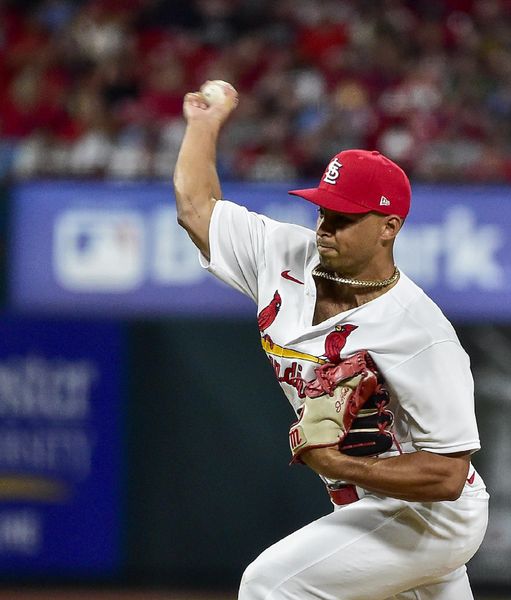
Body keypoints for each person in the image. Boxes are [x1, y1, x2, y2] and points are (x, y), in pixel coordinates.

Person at [173, 81, 489, 600]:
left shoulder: (422, 333)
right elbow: (195, 208)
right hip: (369, 505)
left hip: (431, 518)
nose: (325, 227)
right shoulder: (284, 256)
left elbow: (448, 475)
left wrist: (337, 464)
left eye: (344, 218)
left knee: (269, 586)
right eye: (323, 210)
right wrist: (204, 125)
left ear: (388, 227)